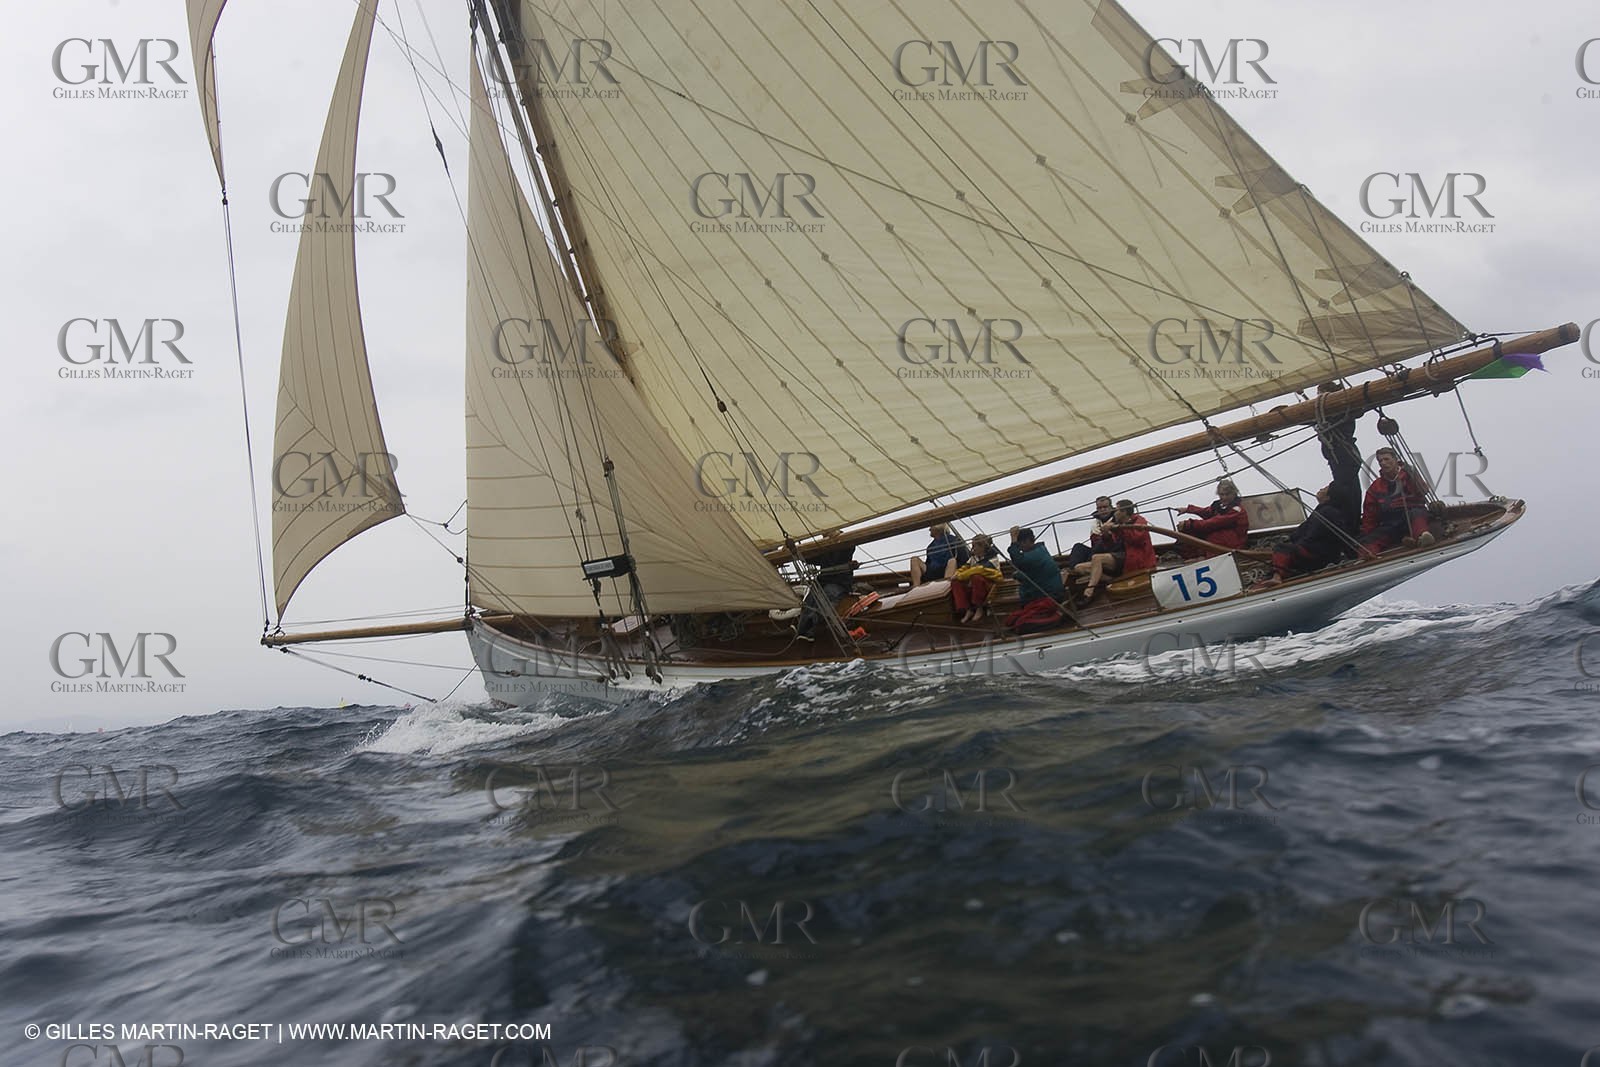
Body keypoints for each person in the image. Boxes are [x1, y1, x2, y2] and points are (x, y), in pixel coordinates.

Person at [1259, 482, 1358, 586]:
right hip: (1310, 549)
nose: (1321, 488)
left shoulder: (1330, 512)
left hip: (1317, 554)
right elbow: (1300, 531)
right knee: (1284, 548)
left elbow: (1342, 535)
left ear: (1328, 497)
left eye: (1325, 488)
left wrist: (1354, 555)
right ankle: (1277, 573)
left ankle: (1277, 577)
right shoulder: (1321, 510)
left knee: (1282, 548)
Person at [1074, 500, 1155, 605]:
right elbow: (1111, 545)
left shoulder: (1139, 520)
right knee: (1079, 567)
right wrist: (1106, 534)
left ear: (1124, 512)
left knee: (1097, 558)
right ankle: (1113, 580)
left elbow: (1136, 538)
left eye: (1116, 510)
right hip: (1122, 556)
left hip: (1136, 558)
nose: (1115, 513)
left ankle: (1088, 593)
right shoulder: (1117, 523)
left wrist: (1117, 529)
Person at [1359, 447, 1433, 556]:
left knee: (1416, 515)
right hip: (1391, 522)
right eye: (1380, 461)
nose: (1383, 463)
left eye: (1386, 459)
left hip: (1411, 512)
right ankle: (1368, 556)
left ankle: (1423, 537)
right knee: (1371, 539)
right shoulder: (1375, 487)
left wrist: (1412, 475)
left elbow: (1423, 491)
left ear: (1395, 460)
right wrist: (1367, 533)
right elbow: (1370, 513)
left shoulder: (1408, 475)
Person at [1005, 527, 1065, 633]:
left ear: (1028, 541)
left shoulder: (1037, 553)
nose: (1020, 548)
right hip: (1036, 598)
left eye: (1021, 544)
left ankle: (1058, 616)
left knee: (1022, 624)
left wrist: (1013, 540)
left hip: (1048, 597)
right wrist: (1018, 575)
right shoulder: (1036, 553)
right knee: (1010, 621)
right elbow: (1032, 571)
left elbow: (1020, 562)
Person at [794, 545, 858, 642]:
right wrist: (795, 551)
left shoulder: (844, 544)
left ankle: (812, 627)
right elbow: (813, 558)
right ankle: (802, 631)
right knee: (809, 601)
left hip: (839, 583)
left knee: (826, 598)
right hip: (822, 582)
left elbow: (849, 546)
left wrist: (834, 539)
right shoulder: (825, 547)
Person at [1176, 478, 1249, 558]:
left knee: (1206, 532)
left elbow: (1214, 522)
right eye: (1221, 494)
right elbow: (1207, 512)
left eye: (1227, 494)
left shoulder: (1236, 510)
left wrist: (1188, 524)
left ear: (1234, 494)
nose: (1224, 497)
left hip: (1231, 545)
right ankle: (1196, 556)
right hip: (1218, 541)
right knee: (1187, 533)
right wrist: (1187, 509)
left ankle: (1205, 558)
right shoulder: (1219, 506)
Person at [951, 533, 1003, 624]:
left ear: (983, 547)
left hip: (990, 587)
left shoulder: (992, 559)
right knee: (956, 582)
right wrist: (957, 574)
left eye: (975, 546)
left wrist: (960, 576)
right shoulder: (973, 558)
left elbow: (979, 570)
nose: (973, 548)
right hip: (974, 586)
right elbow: (964, 568)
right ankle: (968, 609)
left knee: (976, 577)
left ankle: (979, 607)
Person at [909, 522, 969, 586]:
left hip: (947, 570)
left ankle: (946, 585)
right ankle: (916, 587)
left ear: (938, 527)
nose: (929, 529)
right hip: (932, 572)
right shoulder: (930, 546)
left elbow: (964, 558)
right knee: (914, 559)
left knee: (952, 561)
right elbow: (928, 562)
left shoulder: (954, 540)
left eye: (931, 527)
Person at [1066, 497, 1116, 567]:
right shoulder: (1095, 524)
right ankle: (1073, 569)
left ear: (1111, 507)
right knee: (1078, 547)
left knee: (1100, 544)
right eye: (1099, 508)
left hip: (1111, 551)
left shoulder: (1117, 519)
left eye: (1105, 507)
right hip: (1095, 551)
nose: (1102, 510)